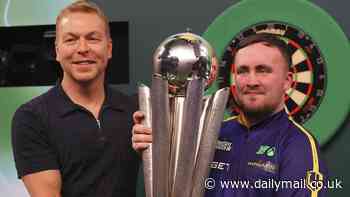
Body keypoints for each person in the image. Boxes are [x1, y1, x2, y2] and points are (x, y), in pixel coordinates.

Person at [132, 33, 327, 197]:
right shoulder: (212, 132)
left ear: (288, 81)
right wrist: (156, 149)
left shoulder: (298, 145)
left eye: (263, 70)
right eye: (242, 71)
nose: (251, 81)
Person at [11, 1, 139, 197]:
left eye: (93, 38)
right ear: (57, 51)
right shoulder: (32, 118)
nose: (82, 48)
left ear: (109, 48)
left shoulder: (136, 111)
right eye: (71, 40)